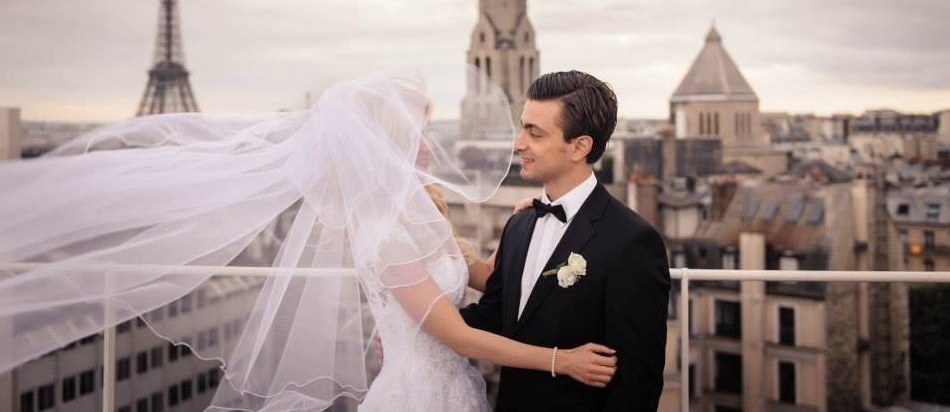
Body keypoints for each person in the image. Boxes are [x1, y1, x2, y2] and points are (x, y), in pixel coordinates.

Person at [0, 68, 616, 412]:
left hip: (455, 390)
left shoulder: (417, 208)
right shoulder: (383, 229)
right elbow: (452, 333)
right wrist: (561, 360)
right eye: (417, 134)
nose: (429, 146)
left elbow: (470, 275)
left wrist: (532, 228)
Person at [460, 70, 671, 412]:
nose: (519, 144)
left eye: (535, 133)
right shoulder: (519, 224)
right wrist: (415, 330)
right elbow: (494, 317)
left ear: (579, 147)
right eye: (521, 127)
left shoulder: (632, 241)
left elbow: (638, 383)